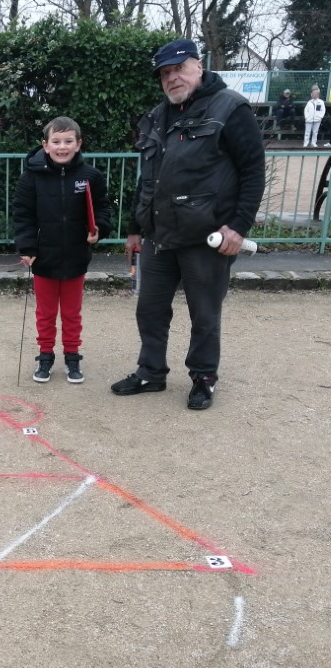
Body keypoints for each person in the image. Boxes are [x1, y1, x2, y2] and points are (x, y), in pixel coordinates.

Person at [111, 39, 265, 410]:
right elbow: (148, 179)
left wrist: (238, 226)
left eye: (179, 68)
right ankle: (151, 371)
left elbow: (252, 170)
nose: (172, 78)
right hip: (158, 237)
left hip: (206, 237)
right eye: (165, 73)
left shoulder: (231, 108)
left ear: (199, 66)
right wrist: (135, 227)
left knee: (205, 313)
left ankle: (204, 378)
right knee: (149, 309)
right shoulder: (155, 117)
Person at [13, 116, 112, 384]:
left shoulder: (91, 176)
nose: (62, 147)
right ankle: (45, 357)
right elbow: (23, 216)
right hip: (43, 259)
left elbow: (103, 208)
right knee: (45, 314)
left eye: (68, 141)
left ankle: (72, 357)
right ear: (45, 146)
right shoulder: (31, 177)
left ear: (78, 144)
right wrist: (27, 246)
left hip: (76, 257)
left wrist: (99, 229)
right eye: (56, 141)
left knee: (71, 313)